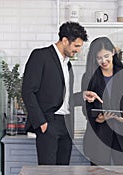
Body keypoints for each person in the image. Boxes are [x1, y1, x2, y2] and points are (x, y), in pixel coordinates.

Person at [22, 21, 99, 165]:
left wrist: (82, 96)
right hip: (49, 123)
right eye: (76, 46)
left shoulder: (67, 64)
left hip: (66, 124)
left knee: (63, 173)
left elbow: (63, 98)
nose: (78, 50)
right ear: (64, 41)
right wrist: (41, 122)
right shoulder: (40, 56)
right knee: (48, 174)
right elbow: (27, 91)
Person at [84, 36, 123, 165]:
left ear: (113, 52)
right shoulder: (89, 77)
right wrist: (98, 118)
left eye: (106, 56)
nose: (104, 61)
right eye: (99, 58)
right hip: (98, 137)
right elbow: (86, 108)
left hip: (122, 137)